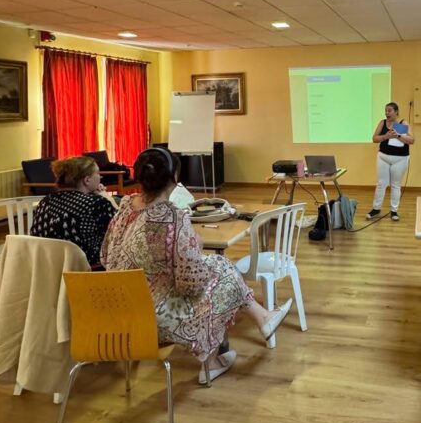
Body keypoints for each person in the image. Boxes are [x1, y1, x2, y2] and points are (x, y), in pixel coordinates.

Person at [101, 147, 292, 384]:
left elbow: (105, 255)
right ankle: (216, 359)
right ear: (174, 178)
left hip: (114, 310)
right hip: (148, 319)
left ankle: (261, 321)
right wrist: (195, 247)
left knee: (219, 267)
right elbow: (192, 283)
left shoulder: (125, 206)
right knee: (223, 274)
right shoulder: (172, 217)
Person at [30, 155, 116, 269]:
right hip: (88, 270)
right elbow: (121, 229)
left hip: (49, 268)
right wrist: (107, 198)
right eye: (98, 173)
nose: (100, 177)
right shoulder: (96, 203)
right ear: (87, 180)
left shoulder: (45, 201)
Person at [366, 102, 414, 221]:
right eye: (386, 111)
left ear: (396, 112)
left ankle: (394, 211)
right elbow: (374, 139)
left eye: (389, 111)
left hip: (400, 159)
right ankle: (376, 209)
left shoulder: (403, 123)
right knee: (381, 183)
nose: (387, 113)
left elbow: (412, 140)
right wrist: (385, 136)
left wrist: (398, 135)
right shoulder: (382, 123)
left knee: (395, 185)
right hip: (383, 157)